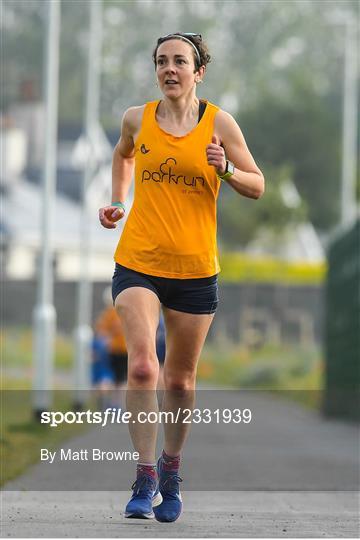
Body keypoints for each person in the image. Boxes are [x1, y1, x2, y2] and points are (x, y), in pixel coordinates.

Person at [99, 32, 264, 522]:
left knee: (180, 380)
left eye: (179, 62)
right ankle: (144, 475)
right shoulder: (137, 118)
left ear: (199, 72)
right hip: (139, 262)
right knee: (144, 367)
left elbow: (257, 185)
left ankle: (171, 469)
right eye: (161, 61)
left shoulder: (219, 123)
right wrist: (119, 202)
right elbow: (123, 154)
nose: (169, 69)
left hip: (195, 271)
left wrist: (227, 168)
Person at [95, 286, 128, 407]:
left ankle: (110, 403)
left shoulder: (107, 314)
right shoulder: (125, 311)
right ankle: (117, 404)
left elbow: (101, 332)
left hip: (111, 350)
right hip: (125, 349)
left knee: (110, 377)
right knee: (121, 379)